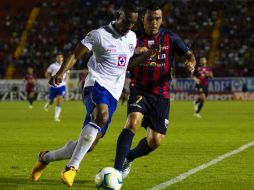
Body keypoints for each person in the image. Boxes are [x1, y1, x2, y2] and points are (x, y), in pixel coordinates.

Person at [31, 3, 143, 187]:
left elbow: (125, 64)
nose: (129, 27)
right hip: (95, 84)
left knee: (88, 145)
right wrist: (61, 72)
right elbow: (75, 54)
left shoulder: (132, 37)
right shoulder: (99, 34)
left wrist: (144, 55)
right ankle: (71, 168)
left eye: (133, 23)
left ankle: (46, 157)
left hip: (113, 94)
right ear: (117, 16)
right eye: (126, 22)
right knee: (101, 116)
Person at [113, 1, 196, 179]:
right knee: (132, 122)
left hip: (161, 95)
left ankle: (129, 157)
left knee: (155, 140)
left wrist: (191, 62)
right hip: (140, 90)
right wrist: (140, 52)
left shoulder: (170, 37)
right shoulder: (132, 38)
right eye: (150, 19)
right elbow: (124, 63)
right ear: (143, 19)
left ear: (161, 19)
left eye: (157, 19)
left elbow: (188, 54)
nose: (154, 22)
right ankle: (116, 171)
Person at [44, 54, 69, 122]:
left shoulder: (66, 65)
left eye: (60, 57)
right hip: (53, 86)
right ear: (56, 58)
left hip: (62, 86)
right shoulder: (52, 66)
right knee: (51, 100)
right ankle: (49, 103)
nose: (59, 58)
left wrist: (66, 82)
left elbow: (67, 74)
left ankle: (56, 117)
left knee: (59, 100)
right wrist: (51, 79)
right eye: (58, 57)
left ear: (62, 59)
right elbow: (47, 74)